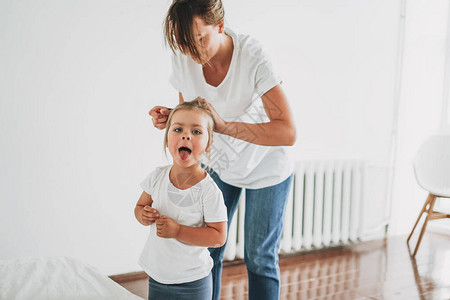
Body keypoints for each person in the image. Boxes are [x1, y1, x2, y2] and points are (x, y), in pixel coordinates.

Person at [149, 1, 296, 299]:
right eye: (183, 42)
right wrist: (173, 119)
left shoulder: (252, 57)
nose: (192, 52)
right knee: (206, 252)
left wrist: (224, 125)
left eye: (200, 39)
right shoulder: (185, 53)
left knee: (259, 257)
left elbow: (287, 132)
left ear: (220, 25)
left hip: (266, 167)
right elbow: (190, 109)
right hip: (221, 164)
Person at [135, 100, 228, 300]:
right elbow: (140, 206)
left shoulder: (209, 191)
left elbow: (218, 237)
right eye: (177, 129)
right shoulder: (157, 177)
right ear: (167, 139)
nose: (186, 135)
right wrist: (143, 215)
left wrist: (178, 231)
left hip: (194, 282)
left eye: (196, 132)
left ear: (208, 144)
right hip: (158, 276)